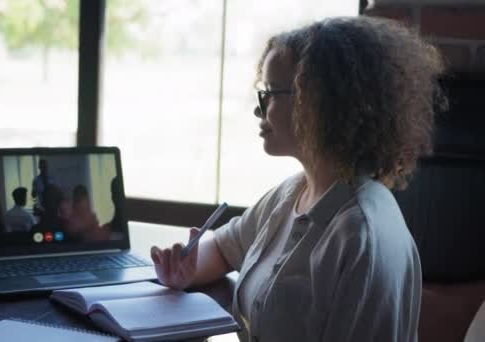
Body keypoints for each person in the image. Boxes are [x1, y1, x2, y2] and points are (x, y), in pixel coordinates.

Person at [150, 16, 446, 342]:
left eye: (270, 94)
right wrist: (185, 270)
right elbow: (223, 246)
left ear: (318, 103)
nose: (258, 110)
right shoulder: (293, 193)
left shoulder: (363, 237)